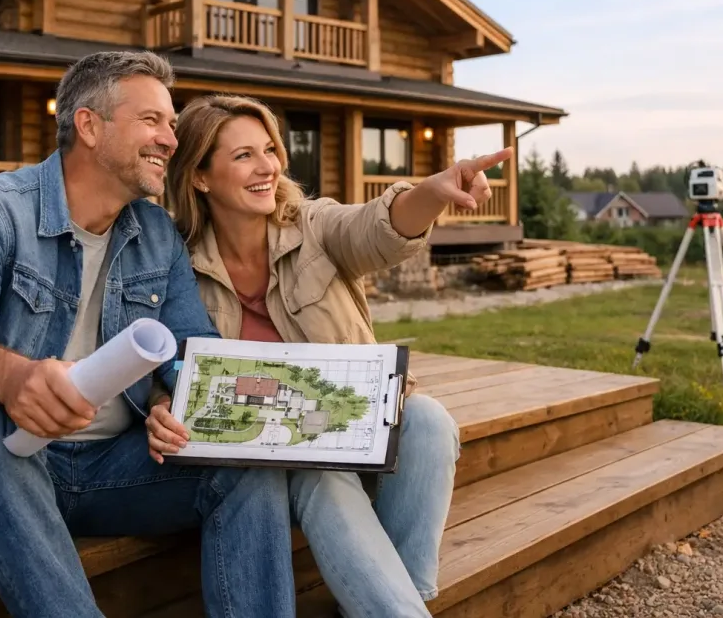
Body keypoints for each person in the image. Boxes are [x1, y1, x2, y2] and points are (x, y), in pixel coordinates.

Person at [0, 53, 297, 618]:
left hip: (111, 469)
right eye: (152, 121)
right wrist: (15, 379)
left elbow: (189, 349)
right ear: (88, 125)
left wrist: (168, 400)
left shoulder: (156, 233)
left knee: (242, 461)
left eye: (171, 124)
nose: (171, 140)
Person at [148, 93, 513, 617]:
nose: (267, 167)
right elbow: (171, 360)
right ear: (200, 177)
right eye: (244, 155)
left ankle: (396, 601)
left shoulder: (313, 226)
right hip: (275, 458)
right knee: (322, 473)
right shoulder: (177, 263)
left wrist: (432, 193)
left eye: (269, 149)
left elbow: (377, 228)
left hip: (356, 428)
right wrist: (162, 402)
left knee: (429, 420)